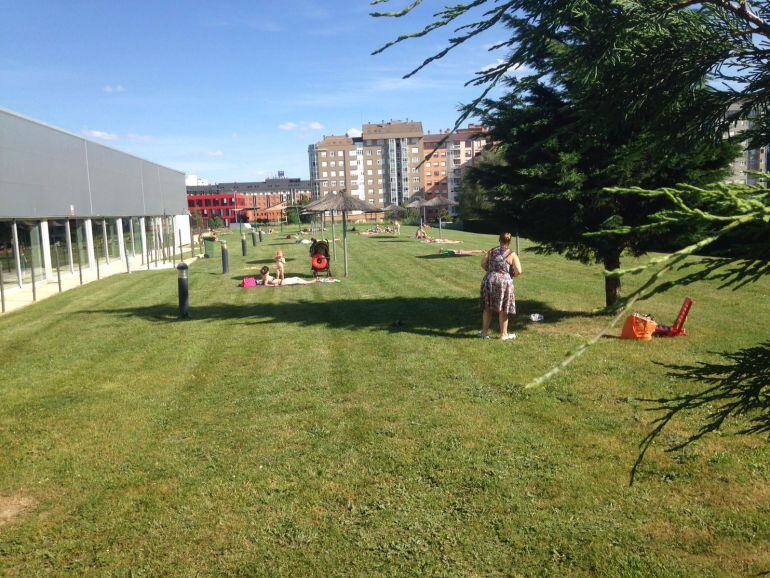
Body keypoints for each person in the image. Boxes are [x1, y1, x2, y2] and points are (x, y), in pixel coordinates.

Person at [479, 232, 522, 340]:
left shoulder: (492, 251)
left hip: (489, 280)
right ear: (509, 241)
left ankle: (484, 333)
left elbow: (483, 263)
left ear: (499, 240)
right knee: (503, 309)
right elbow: (519, 271)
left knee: (487, 308)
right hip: (504, 283)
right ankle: (503, 334)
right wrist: (511, 275)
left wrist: (490, 271)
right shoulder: (512, 254)